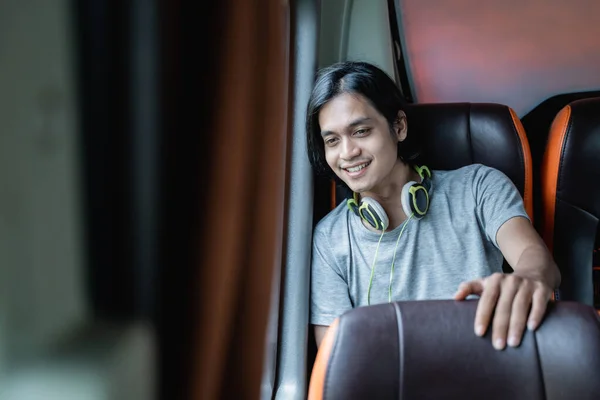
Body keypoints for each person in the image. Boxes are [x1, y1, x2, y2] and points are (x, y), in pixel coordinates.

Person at [306, 61, 561, 351]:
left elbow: (535, 258)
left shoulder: (479, 187)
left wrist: (530, 277)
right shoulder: (329, 239)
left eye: (361, 131)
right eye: (332, 140)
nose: (348, 152)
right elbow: (335, 361)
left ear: (398, 127)